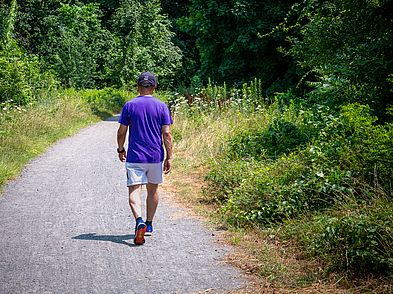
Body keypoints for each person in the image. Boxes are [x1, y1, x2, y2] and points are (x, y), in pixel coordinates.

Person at [116, 72, 173, 245]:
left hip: (135, 156)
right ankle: (148, 225)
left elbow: (121, 132)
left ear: (138, 87)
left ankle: (139, 220)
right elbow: (167, 134)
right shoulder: (162, 106)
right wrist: (169, 157)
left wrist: (120, 149)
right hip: (155, 156)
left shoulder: (129, 105)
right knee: (153, 190)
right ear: (154, 87)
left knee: (134, 190)